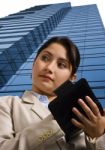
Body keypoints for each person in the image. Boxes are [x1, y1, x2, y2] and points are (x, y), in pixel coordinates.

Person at [0, 36, 105, 150]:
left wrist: (97, 136)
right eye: (45, 58)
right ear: (33, 64)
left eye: (61, 64)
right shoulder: (7, 104)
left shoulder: (88, 120)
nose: (49, 68)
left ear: (72, 78)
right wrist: (57, 124)